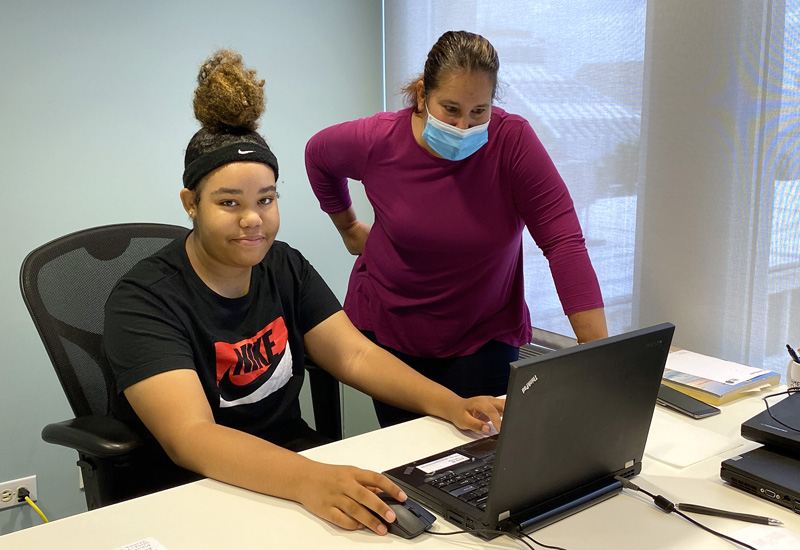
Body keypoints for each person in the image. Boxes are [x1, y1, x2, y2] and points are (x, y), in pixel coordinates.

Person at [104, 49, 504, 537]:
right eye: (228, 203)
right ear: (191, 203)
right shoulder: (143, 300)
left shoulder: (284, 265)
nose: (252, 219)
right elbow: (192, 436)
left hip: (290, 468)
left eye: (266, 199)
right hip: (190, 493)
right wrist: (309, 480)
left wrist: (451, 404)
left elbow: (354, 354)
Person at [305, 30, 608, 428]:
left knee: (487, 448)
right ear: (421, 96)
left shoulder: (512, 143)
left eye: (479, 111)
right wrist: (348, 227)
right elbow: (318, 155)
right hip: (392, 330)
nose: (464, 125)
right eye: (450, 109)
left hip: (483, 334)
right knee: (413, 457)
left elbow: (563, 241)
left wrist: (599, 357)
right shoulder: (378, 140)